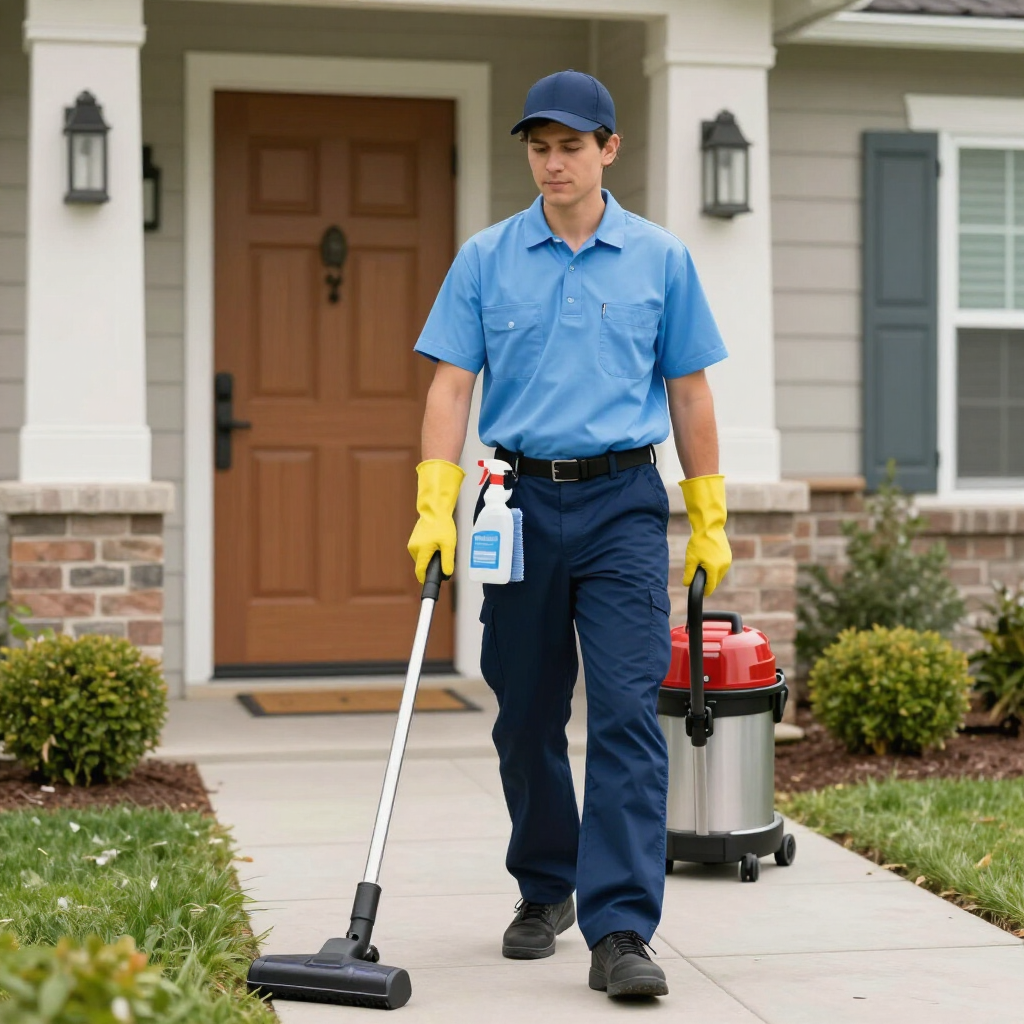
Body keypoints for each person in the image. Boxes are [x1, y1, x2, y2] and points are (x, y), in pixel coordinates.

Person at [407, 70, 731, 999]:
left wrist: (708, 513)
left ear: (609, 150)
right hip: (512, 498)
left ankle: (621, 925)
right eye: (540, 148)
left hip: (624, 501)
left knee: (628, 711)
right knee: (526, 713)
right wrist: (435, 503)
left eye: (571, 146)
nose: (554, 163)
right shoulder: (486, 258)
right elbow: (450, 387)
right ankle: (545, 888)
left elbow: (690, 392)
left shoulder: (661, 259)